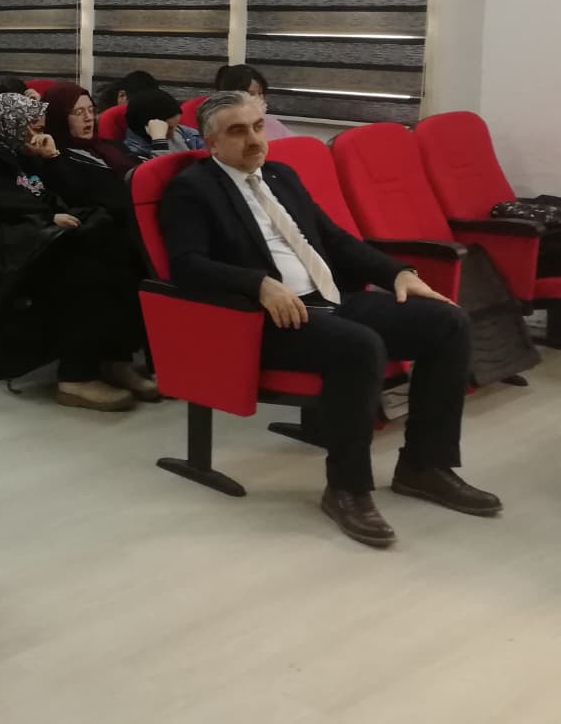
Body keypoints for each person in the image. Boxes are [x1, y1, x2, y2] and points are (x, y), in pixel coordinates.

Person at [160, 90, 499, 547]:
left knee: (448, 323)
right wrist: (258, 284)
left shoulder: (280, 175)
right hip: (262, 321)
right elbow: (187, 265)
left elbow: (335, 240)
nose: (254, 140)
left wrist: (397, 273)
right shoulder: (192, 189)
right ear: (211, 143)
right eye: (237, 132)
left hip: (330, 299)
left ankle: (425, 466)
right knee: (359, 346)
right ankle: (347, 489)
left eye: (257, 127)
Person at [0, 92, 151, 410]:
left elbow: (60, 193)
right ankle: (75, 377)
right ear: (13, 126)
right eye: (33, 127)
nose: (39, 134)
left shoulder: (22, 150)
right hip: (6, 245)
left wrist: (52, 159)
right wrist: (47, 216)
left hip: (37, 234)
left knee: (120, 252)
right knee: (87, 271)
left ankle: (114, 359)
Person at [38, 81, 140, 219]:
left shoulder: (111, 145)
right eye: (79, 112)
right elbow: (80, 199)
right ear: (59, 116)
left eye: (91, 110)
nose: (88, 118)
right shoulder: (55, 160)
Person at [122, 88, 205, 161]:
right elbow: (163, 172)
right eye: (169, 128)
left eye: (177, 125)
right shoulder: (133, 152)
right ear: (147, 127)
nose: (174, 133)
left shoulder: (178, 130)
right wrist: (159, 141)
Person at [215, 63, 294, 140]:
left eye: (260, 93)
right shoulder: (216, 126)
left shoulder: (270, 123)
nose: (258, 98)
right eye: (251, 94)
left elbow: (295, 143)